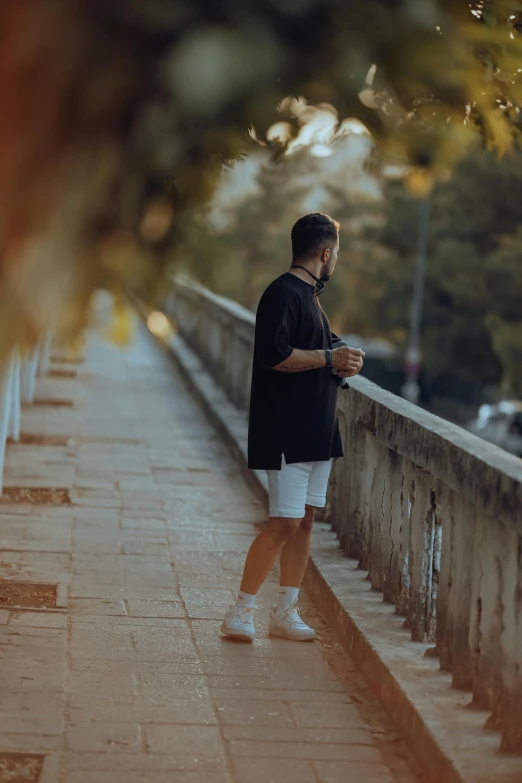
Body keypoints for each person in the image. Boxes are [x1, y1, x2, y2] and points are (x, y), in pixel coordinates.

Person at [221, 213, 365, 642]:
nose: (334, 260)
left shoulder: (310, 298)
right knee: (282, 523)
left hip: (316, 433)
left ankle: (285, 612)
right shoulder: (282, 293)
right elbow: (276, 355)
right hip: (286, 431)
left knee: (304, 522)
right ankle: (240, 611)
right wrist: (328, 358)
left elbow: (322, 346)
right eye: (335, 253)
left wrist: (342, 357)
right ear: (325, 253)